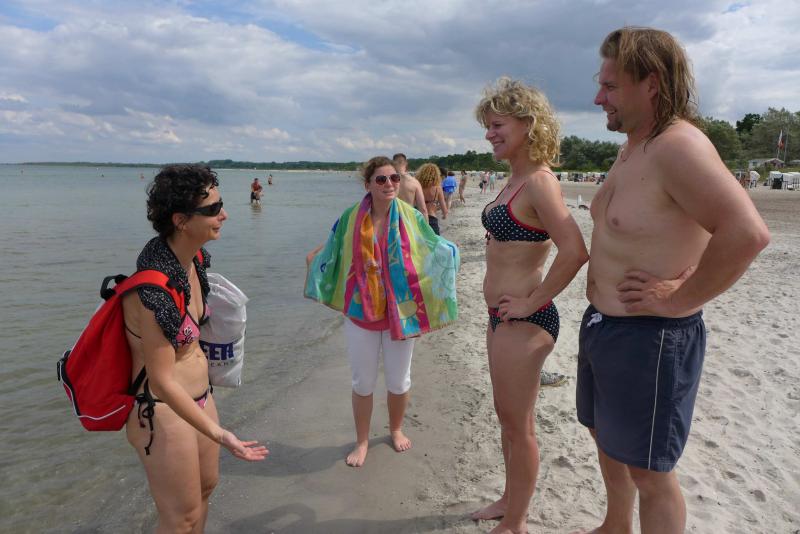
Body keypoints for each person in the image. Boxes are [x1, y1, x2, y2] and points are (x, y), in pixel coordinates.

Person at [576, 27, 770, 534]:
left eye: (610, 86)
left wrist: (679, 297)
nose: (598, 98)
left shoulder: (678, 146)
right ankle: (615, 526)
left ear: (652, 83)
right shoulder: (634, 146)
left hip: (652, 337)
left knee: (650, 472)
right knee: (605, 438)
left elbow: (747, 233)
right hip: (604, 327)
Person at [471, 77, 589, 534]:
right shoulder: (513, 180)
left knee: (519, 425)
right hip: (501, 318)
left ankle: (516, 521)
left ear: (527, 124)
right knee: (506, 418)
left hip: (526, 320)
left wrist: (532, 301)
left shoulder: (539, 182)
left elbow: (575, 251)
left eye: (497, 125)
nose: (489, 134)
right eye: (487, 126)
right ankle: (509, 499)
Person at [122, 164, 268, 532]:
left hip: (201, 397)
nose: (224, 214)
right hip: (162, 410)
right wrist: (222, 434)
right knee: (181, 518)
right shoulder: (154, 291)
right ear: (181, 221)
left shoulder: (194, 261)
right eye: (213, 209)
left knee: (205, 490)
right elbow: (161, 380)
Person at [305, 156, 459, 468]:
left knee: (399, 381)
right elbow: (334, 248)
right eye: (381, 179)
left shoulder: (411, 217)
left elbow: (431, 247)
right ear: (368, 185)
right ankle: (362, 441)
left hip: (402, 312)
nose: (389, 184)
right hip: (361, 314)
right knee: (362, 382)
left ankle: (396, 429)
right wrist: (316, 265)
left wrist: (452, 256)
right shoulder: (350, 217)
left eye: (394, 178)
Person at [416, 163, 449, 235]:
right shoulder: (438, 188)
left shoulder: (417, 186)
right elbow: (444, 207)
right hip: (432, 218)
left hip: (418, 217)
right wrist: (444, 214)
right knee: (434, 240)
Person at [392, 152, 428, 217]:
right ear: (406, 163)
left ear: (393, 164)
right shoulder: (414, 182)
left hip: (393, 218)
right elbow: (423, 209)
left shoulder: (387, 181)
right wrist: (426, 223)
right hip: (409, 218)